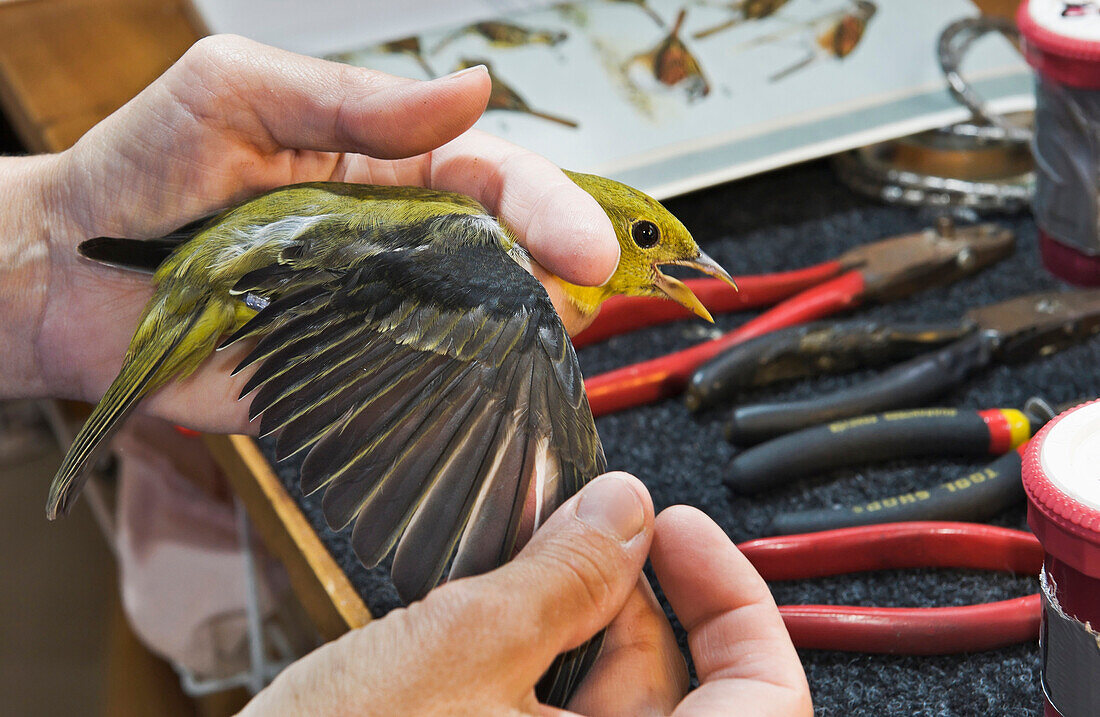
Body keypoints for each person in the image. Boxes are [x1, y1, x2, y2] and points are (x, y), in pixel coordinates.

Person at [0, 35, 813, 715]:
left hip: (247, 267)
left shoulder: (488, 270)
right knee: (519, 334)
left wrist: (46, 235)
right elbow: (489, 416)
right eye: (645, 235)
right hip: (235, 271)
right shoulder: (488, 263)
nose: (674, 263)